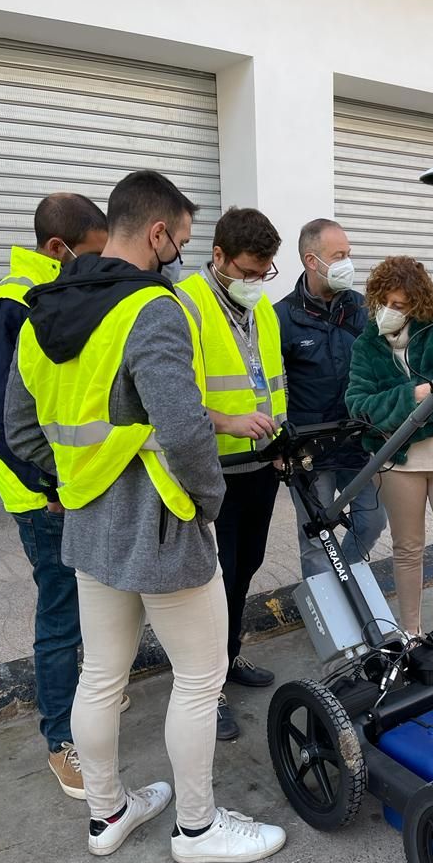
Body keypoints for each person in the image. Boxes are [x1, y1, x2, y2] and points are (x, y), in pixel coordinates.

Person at [5, 171, 285, 863]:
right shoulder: (150, 309)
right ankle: (197, 828)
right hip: (162, 524)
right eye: (182, 241)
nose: (179, 255)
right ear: (158, 233)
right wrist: (206, 503)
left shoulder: (43, 308)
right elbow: (187, 432)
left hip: (90, 527)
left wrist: (74, 482)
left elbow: (20, 431)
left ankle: (108, 815)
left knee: (101, 674)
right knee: (199, 676)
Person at [0, 193, 112, 800]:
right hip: (46, 500)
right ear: (58, 249)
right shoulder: (3, 309)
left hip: (80, 486)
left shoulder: (55, 300)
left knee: (90, 606)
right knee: (60, 616)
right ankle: (60, 740)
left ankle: (88, 702)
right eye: (92, 255)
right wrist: (48, 485)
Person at [175, 206, 285, 742]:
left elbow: (271, 383)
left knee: (244, 569)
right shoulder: (184, 305)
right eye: (246, 271)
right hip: (212, 469)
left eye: (264, 271)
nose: (256, 281)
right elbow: (172, 402)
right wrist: (229, 421)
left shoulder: (262, 308)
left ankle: (230, 657)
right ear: (217, 256)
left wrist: (280, 443)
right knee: (212, 583)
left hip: (261, 465)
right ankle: (208, 687)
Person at [346, 255, 433, 637]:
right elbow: (359, 407)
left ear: (418, 304)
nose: (389, 311)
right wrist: (416, 396)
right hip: (397, 464)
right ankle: (410, 636)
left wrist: (400, 426)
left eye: (400, 305)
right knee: (406, 552)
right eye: (383, 303)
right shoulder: (366, 346)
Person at [275, 219, 387, 580]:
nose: (347, 263)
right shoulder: (282, 317)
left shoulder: (363, 309)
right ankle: (326, 609)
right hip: (311, 451)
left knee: (371, 521)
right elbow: (273, 387)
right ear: (312, 260)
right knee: (315, 539)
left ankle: (347, 580)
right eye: (338, 255)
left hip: (357, 443)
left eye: (348, 254)